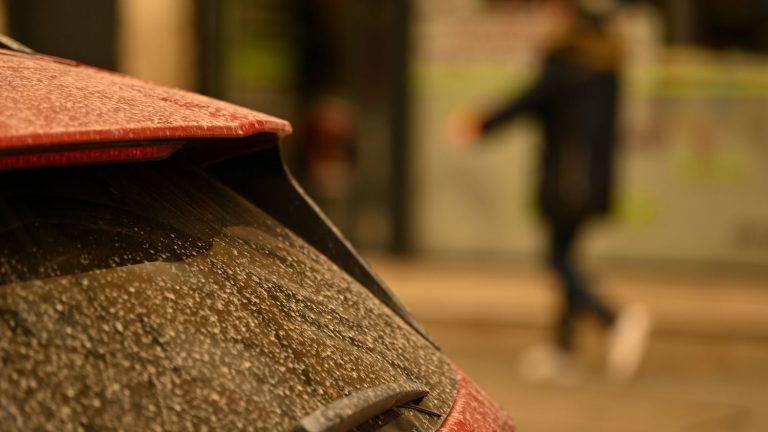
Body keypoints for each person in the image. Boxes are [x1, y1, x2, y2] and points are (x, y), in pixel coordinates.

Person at [453, 0, 651, 382]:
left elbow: (527, 101)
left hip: (567, 178)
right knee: (566, 255)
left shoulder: (565, 66)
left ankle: (615, 318)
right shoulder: (606, 68)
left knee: (557, 259)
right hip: (592, 178)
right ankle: (564, 350)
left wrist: (479, 124)